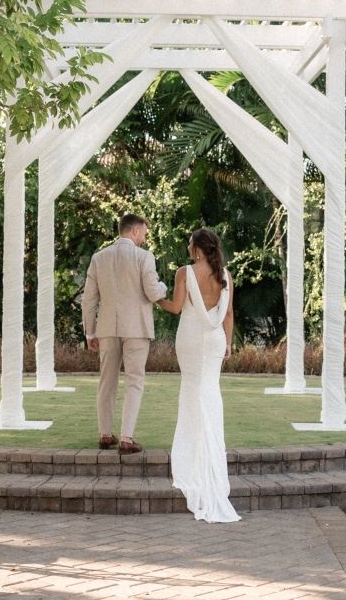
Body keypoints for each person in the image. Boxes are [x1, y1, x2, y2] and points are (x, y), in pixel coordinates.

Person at [160, 227, 239, 522]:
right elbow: (228, 314)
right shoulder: (225, 275)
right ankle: (210, 451)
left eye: (189, 243)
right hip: (216, 338)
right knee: (210, 391)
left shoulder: (184, 272)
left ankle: (192, 457)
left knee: (192, 391)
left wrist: (156, 298)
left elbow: (175, 307)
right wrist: (228, 343)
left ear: (197, 248)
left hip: (191, 337)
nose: (187, 247)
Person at [81, 212, 165, 454]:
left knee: (106, 381)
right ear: (135, 230)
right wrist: (163, 286)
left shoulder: (99, 258)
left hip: (107, 328)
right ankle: (127, 438)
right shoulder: (144, 257)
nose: (144, 239)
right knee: (134, 381)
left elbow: (89, 300)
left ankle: (105, 434)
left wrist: (90, 333)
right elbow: (153, 293)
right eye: (144, 234)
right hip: (137, 328)